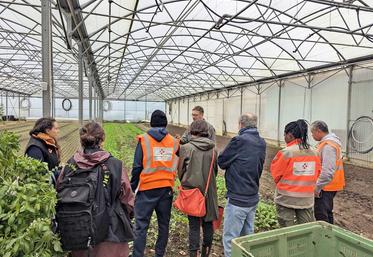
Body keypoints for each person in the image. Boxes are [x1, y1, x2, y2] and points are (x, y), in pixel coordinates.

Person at [64, 122, 134, 257]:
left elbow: (59, 192)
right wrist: (129, 214)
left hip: (77, 231)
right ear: (102, 140)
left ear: (82, 140)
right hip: (110, 232)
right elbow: (127, 197)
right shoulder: (114, 164)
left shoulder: (70, 164)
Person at [131, 110, 179, 257]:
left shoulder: (144, 140)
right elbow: (176, 163)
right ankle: (159, 254)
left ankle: (138, 254)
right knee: (163, 225)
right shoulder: (174, 142)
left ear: (151, 123)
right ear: (166, 123)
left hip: (146, 189)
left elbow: (137, 166)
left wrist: (133, 188)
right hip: (166, 189)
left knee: (141, 226)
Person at [218, 113, 266, 257]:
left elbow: (222, 161)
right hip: (252, 196)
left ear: (241, 124)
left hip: (238, 198)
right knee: (247, 239)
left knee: (230, 239)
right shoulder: (261, 142)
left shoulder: (239, 140)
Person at [177, 120, 218, 257]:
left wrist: (187, 180)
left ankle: (193, 254)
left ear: (191, 131)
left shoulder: (186, 148)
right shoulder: (213, 149)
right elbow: (215, 171)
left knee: (194, 226)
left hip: (192, 192)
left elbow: (180, 171)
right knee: (208, 224)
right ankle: (205, 253)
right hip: (209, 192)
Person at [270, 119, 321, 228]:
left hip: (286, 200)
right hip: (306, 200)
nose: (284, 138)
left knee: (287, 233)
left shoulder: (286, 152)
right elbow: (317, 173)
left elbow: (276, 175)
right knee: (305, 231)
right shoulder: (315, 152)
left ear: (289, 135)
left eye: (284, 135)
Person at [311, 121, 345, 224]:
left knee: (321, 215)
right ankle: (330, 235)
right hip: (330, 185)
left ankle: (324, 237)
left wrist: (317, 187)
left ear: (318, 131)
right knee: (327, 211)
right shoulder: (329, 143)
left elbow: (327, 171)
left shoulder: (328, 146)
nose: (312, 135)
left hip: (326, 186)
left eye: (312, 132)